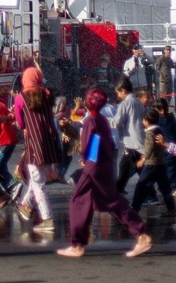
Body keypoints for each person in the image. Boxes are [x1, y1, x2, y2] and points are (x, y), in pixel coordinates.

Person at [57, 88, 152, 259]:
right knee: (100, 201)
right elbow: (101, 141)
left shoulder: (90, 121)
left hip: (95, 167)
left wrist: (87, 160)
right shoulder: (100, 119)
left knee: (82, 201)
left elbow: (90, 143)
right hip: (103, 164)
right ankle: (139, 233)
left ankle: (78, 244)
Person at [13, 67, 62, 234]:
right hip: (49, 142)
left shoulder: (20, 98)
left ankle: (47, 219)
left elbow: (20, 124)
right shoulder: (47, 95)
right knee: (37, 179)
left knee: (38, 183)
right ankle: (25, 206)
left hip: (33, 144)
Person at [112, 77, 146, 193]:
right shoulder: (138, 102)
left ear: (123, 91)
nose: (117, 95)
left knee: (134, 168)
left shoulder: (125, 103)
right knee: (126, 167)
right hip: (139, 140)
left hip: (132, 142)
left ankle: (151, 194)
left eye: (117, 92)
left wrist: (101, 120)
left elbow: (116, 122)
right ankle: (119, 188)